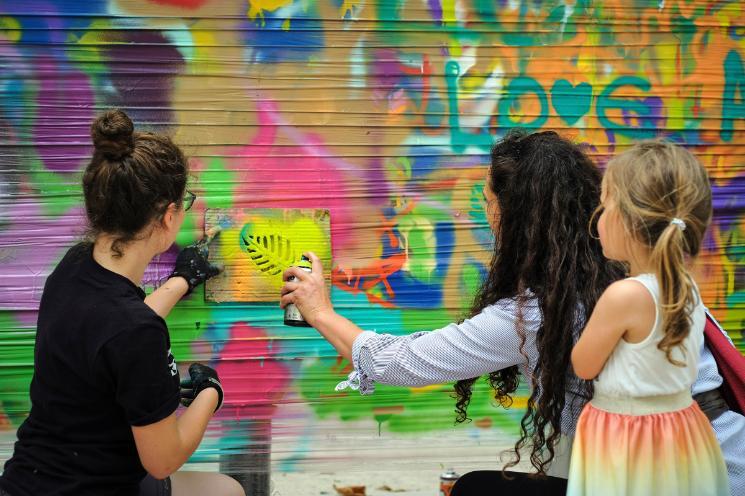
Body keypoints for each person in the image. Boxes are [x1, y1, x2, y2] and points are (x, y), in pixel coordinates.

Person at [280, 131, 745, 495]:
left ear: (516, 216)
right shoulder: (648, 269)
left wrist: (319, 310)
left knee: (475, 490)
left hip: (667, 472)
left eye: (488, 203)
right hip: (715, 449)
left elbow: (404, 362)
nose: (485, 214)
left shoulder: (551, 308)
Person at [0, 110, 244, 496]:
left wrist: (180, 281)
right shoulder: (137, 333)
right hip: (94, 488)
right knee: (228, 490)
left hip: (30, 480)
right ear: (168, 216)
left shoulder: (74, 265)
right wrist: (211, 392)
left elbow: (113, 331)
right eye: (186, 202)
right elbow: (163, 460)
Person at [567, 140, 730, 495]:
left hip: (630, 441)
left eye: (605, 206)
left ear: (630, 221)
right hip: (682, 432)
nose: (599, 217)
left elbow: (582, 365)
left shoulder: (624, 296)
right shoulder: (687, 286)